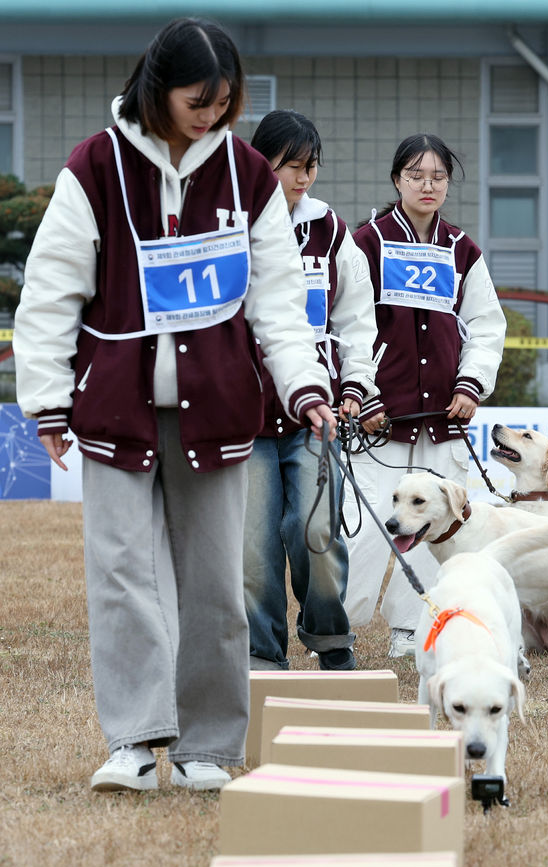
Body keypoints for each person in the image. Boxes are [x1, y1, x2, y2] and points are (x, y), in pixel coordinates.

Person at [12, 18, 336, 792]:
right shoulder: (94, 167)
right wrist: (49, 401)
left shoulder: (251, 175)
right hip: (116, 409)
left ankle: (209, 747)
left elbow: (279, 302)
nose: (212, 115)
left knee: (217, 585)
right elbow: (52, 289)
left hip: (220, 410)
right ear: (159, 88)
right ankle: (133, 739)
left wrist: (305, 385)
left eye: (225, 102)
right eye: (199, 99)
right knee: (120, 573)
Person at [344, 133, 507, 658]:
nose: (428, 185)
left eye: (439, 176)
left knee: (435, 531)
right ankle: (336, 630)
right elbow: (345, 324)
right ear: (397, 180)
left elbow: (485, 325)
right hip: (379, 423)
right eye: (416, 175)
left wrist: (471, 384)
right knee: (365, 525)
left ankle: (412, 630)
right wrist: (360, 393)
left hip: (442, 420)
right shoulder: (364, 243)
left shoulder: (462, 249)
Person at [244, 109, 380, 672]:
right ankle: (262, 656)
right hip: (244, 418)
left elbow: (356, 319)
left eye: (311, 166)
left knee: (316, 532)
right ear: (261, 164)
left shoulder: (332, 231)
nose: (303, 178)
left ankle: (330, 642)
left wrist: (355, 386)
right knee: (252, 551)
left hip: (315, 416)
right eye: (291, 166)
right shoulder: (230, 225)